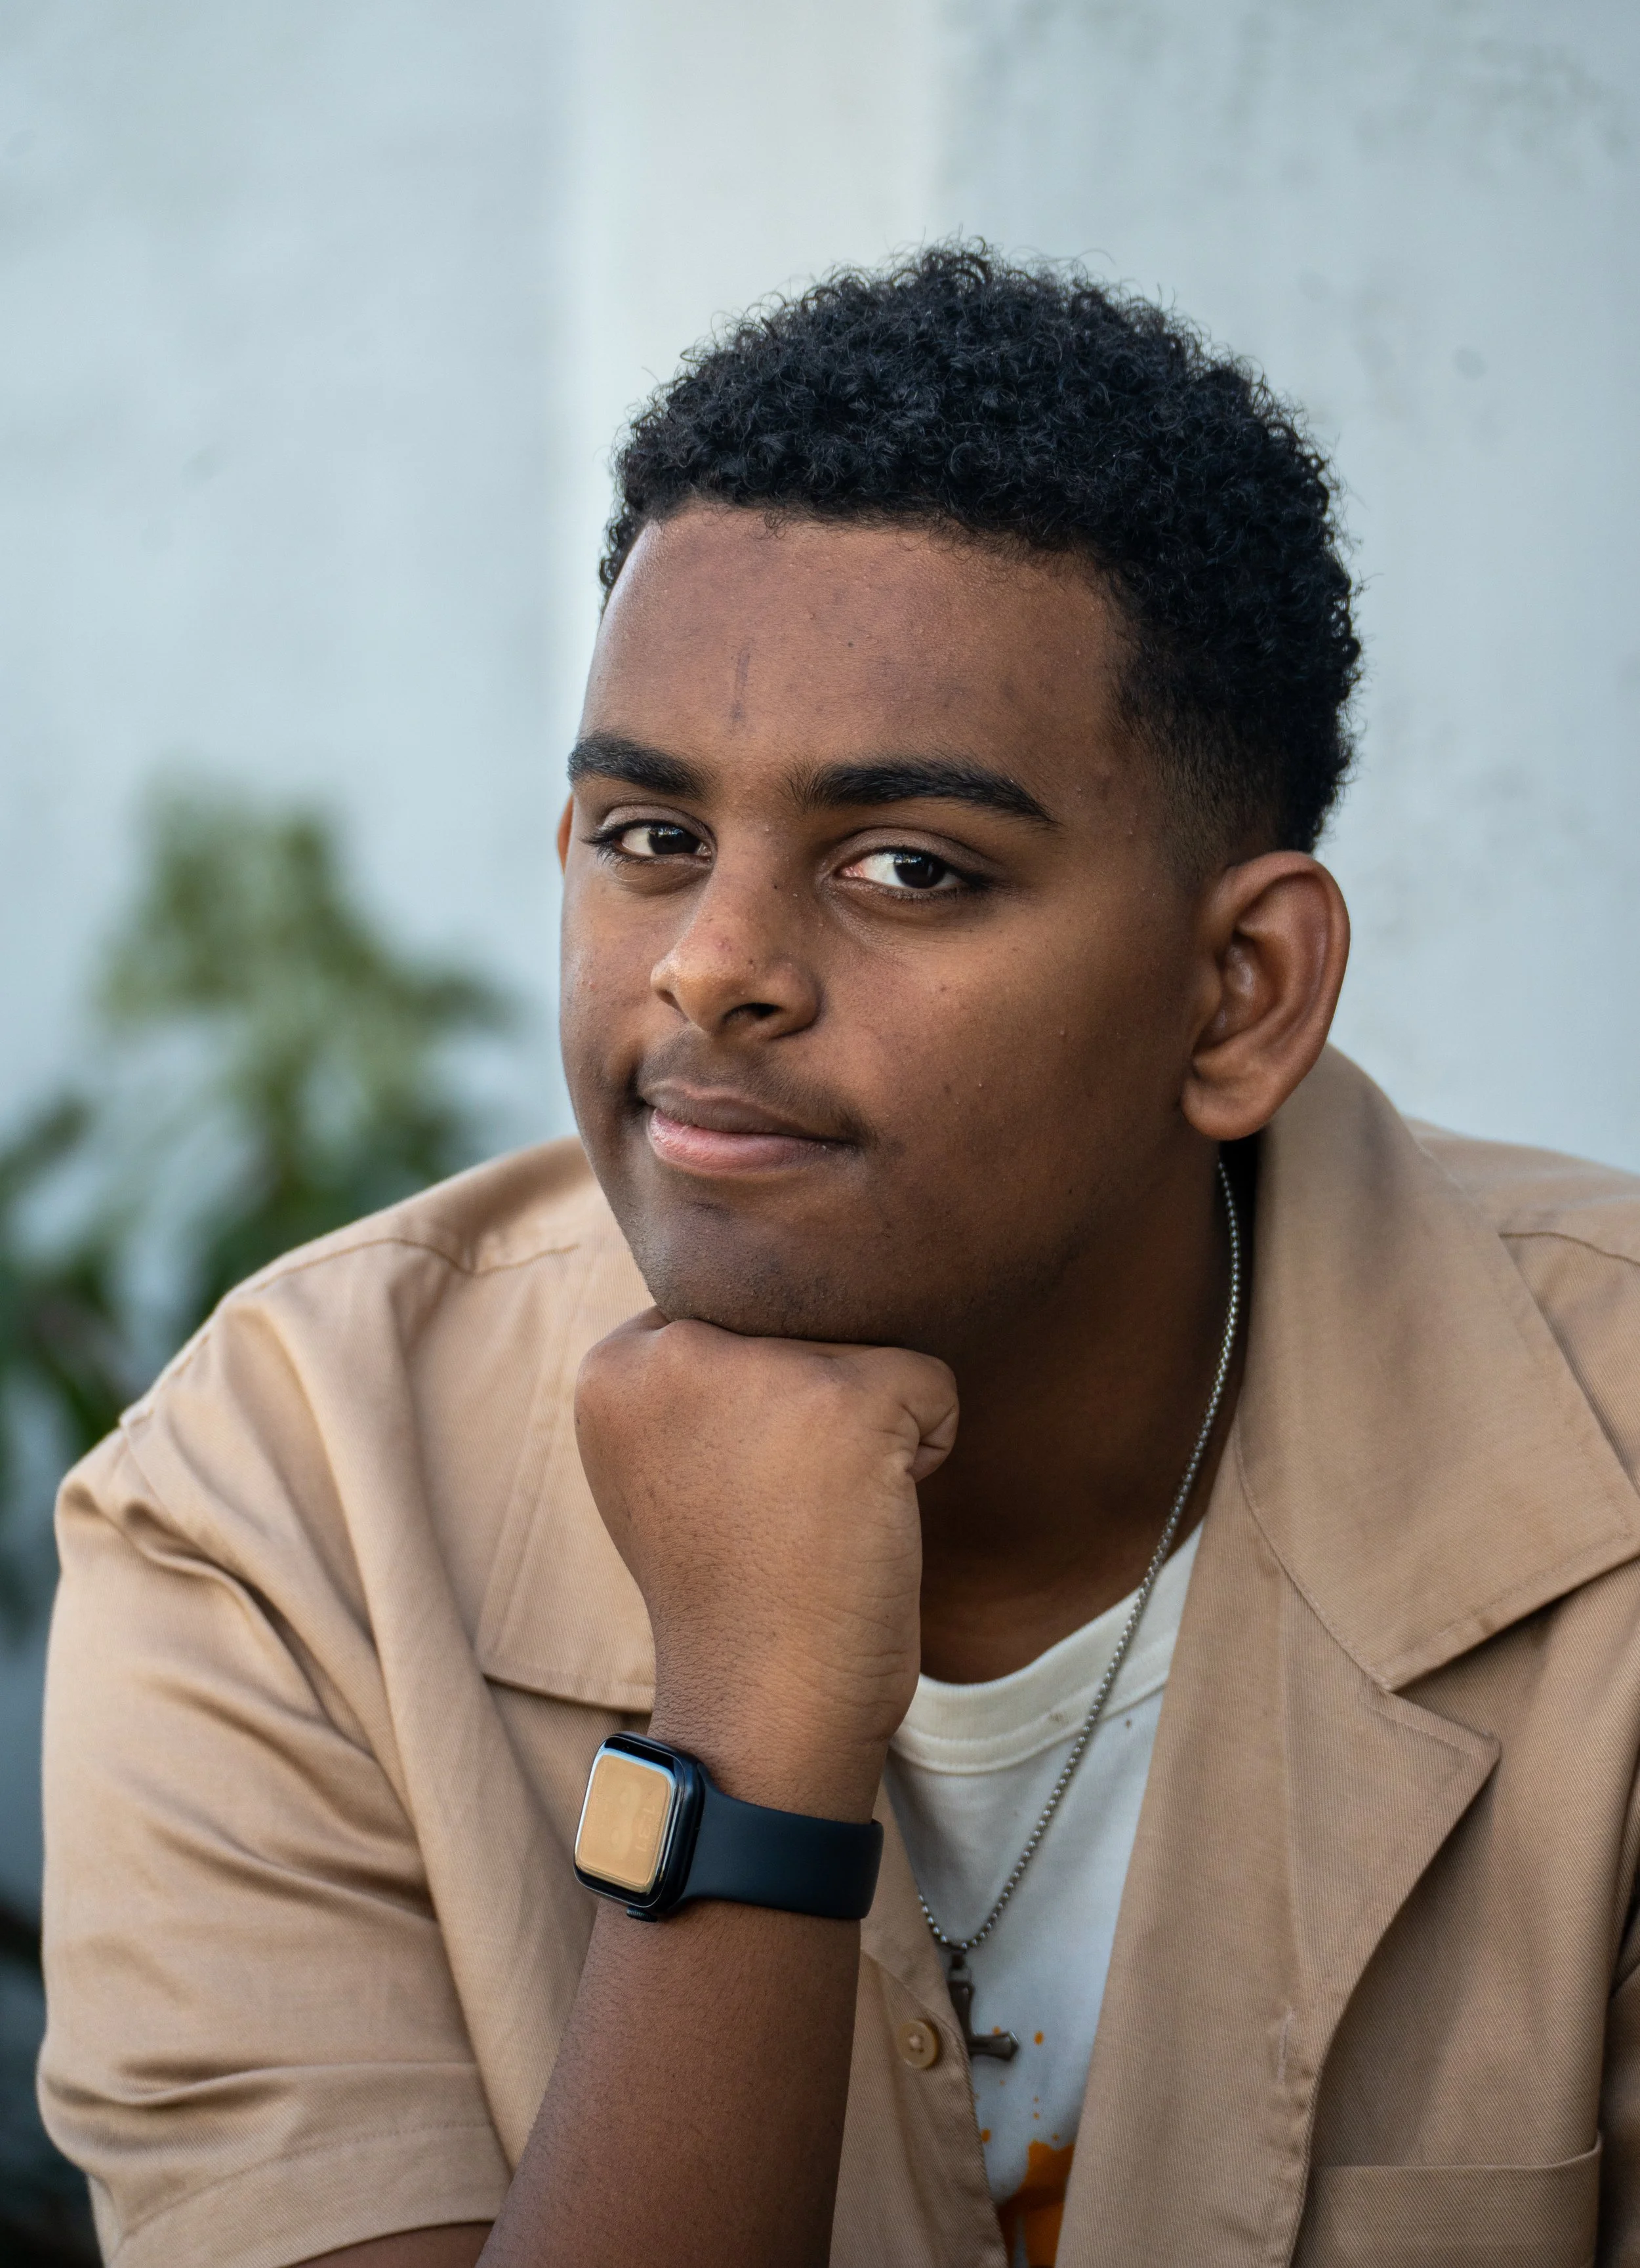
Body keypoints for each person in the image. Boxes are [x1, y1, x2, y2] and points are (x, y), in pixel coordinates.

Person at [38, 245, 1640, 2268]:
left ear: (1239, 994)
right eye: (648, 838)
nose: (710, 964)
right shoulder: (284, 1501)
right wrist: (751, 1742)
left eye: (911, 867)